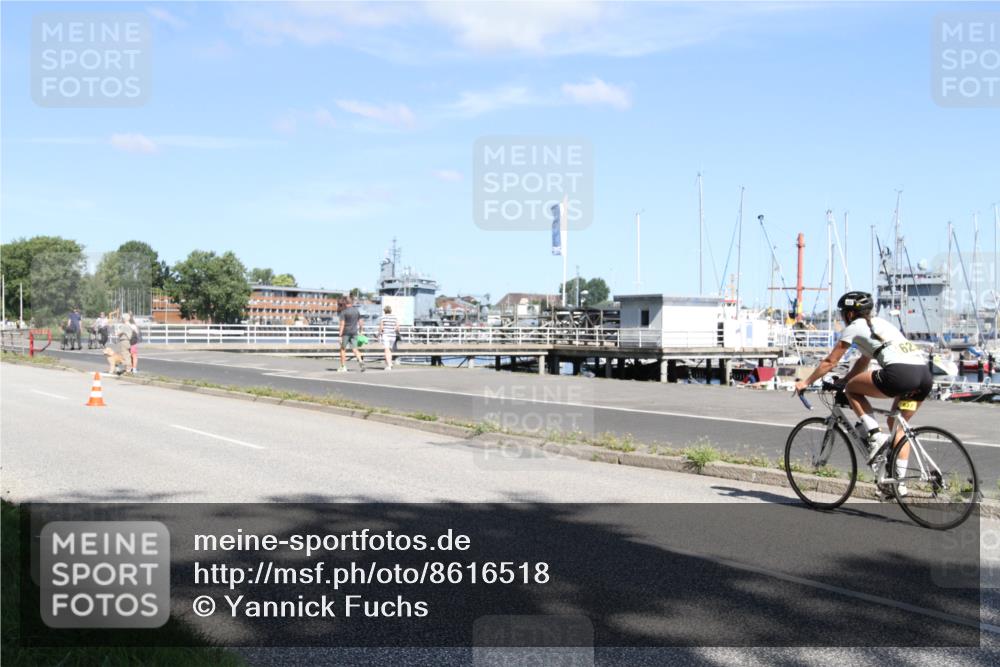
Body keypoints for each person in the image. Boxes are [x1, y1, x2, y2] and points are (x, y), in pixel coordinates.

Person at [794, 291, 932, 498]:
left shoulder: (855, 327)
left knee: (852, 389)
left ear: (850, 313)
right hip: (923, 377)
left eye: (843, 312)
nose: (842, 316)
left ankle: (875, 436)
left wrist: (805, 382)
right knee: (897, 427)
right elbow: (863, 362)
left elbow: (831, 361)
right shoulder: (879, 324)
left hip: (900, 374)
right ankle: (898, 484)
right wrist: (843, 379)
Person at [337, 297, 365, 372]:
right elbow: (361, 322)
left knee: (343, 349)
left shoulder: (344, 312)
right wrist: (361, 331)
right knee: (355, 349)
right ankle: (360, 361)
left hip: (346, 333)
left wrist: (340, 336)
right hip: (354, 332)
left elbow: (342, 324)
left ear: (345, 303)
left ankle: (343, 367)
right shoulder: (356, 311)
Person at [378, 305, 400, 370]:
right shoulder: (395, 317)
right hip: (393, 336)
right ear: (390, 311)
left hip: (386, 335)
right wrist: (394, 331)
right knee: (389, 350)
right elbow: (397, 327)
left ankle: (389, 365)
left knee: (386, 350)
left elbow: (381, 327)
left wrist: (378, 334)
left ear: (384, 311)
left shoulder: (383, 317)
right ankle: (390, 363)